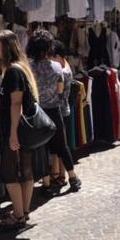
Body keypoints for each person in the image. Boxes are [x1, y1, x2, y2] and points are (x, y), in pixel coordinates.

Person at [27, 30, 81, 197]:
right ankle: (72, 177)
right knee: (61, 146)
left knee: (42, 148)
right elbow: (61, 90)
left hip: (38, 112)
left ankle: (47, 183)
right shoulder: (57, 67)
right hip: (54, 109)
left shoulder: (29, 68)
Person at [0, 30, 38, 230]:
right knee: (25, 171)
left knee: (10, 172)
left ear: (6, 47)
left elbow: (16, 103)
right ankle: (24, 213)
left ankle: (19, 216)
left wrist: (12, 133)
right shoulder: (20, 69)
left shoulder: (13, 71)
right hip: (23, 130)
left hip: (17, 130)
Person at [50, 39, 75, 188]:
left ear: (58, 56)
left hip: (60, 108)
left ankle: (60, 175)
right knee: (60, 144)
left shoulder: (62, 71)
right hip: (64, 108)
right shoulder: (66, 65)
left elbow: (58, 92)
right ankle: (61, 174)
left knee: (59, 145)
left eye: (53, 57)